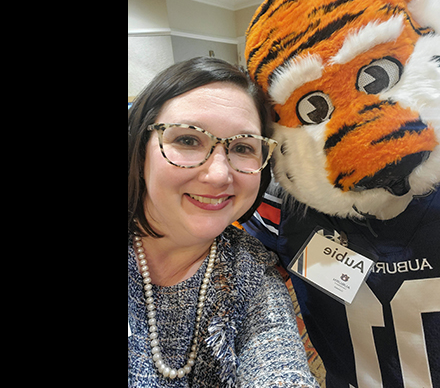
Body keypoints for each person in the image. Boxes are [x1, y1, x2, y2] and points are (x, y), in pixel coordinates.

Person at [127, 57, 318, 387]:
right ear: (141, 148)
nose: (218, 175)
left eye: (243, 147)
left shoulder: (253, 276)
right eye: (188, 140)